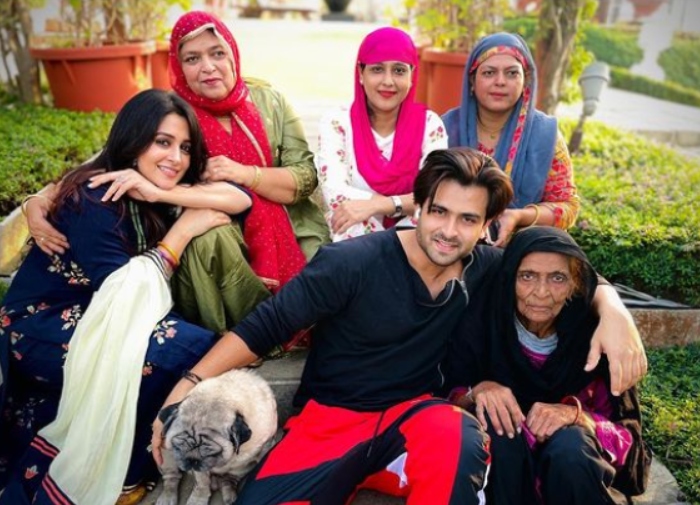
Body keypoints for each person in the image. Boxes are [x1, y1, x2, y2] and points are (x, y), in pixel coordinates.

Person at [151, 147, 647, 504]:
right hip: (330, 422)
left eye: (467, 220)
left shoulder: (487, 267)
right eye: (439, 212)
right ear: (420, 206)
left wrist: (613, 308)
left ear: (486, 226)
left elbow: (563, 267)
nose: (449, 231)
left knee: (460, 433)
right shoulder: (351, 263)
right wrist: (185, 387)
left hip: (416, 419)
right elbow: (266, 326)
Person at [0, 89, 246, 505]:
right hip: (41, 325)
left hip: (104, 314)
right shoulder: (95, 197)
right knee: (182, 351)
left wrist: (164, 194)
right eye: (162, 142)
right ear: (134, 141)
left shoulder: (154, 187)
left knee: (194, 347)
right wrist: (182, 232)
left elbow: (239, 197)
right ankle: (126, 474)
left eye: (185, 147)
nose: (176, 158)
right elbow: (123, 291)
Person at [23, 10, 330, 337]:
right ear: (178, 65)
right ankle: (244, 334)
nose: (207, 67)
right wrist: (38, 200)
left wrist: (245, 174)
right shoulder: (175, 114)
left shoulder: (270, 102)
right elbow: (111, 159)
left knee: (327, 288)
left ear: (233, 54)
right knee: (212, 238)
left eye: (217, 53)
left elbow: (305, 176)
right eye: (192, 58)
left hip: (291, 225)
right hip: (212, 228)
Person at [451, 227, 651, 504]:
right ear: (509, 279)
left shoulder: (595, 337)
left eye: (558, 278)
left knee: (571, 446)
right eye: (527, 276)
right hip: (503, 477)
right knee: (498, 429)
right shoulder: (482, 326)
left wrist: (577, 417)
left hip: (572, 474)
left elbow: (628, 444)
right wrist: (479, 391)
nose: (541, 292)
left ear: (575, 284)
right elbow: (447, 398)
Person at [443, 32, 580, 247]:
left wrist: (519, 216)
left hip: (518, 251)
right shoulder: (444, 129)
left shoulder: (546, 135)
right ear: (472, 80)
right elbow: (421, 197)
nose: (500, 82)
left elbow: (568, 208)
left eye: (512, 73)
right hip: (447, 244)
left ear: (525, 81)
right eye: (489, 73)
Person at [315, 26, 447, 242]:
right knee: (348, 219)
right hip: (355, 233)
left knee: (429, 221)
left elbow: (437, 195)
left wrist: (381, 205)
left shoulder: (429, 125)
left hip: (411, 235)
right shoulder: (338, 122)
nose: (388, 81)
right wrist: (404, 204)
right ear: (361, 73)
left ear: (412, 75)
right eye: (377, 69)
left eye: (399, 70)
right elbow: (335, 192)